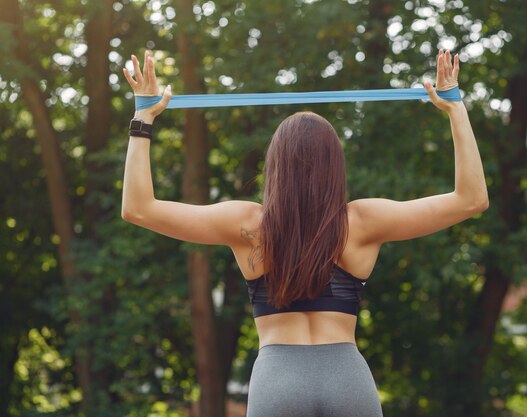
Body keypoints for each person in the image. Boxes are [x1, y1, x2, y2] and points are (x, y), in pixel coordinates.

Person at [121, 48, 488, 417]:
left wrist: (143, 117)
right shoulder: (361, 222)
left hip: (277, 380)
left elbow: (138, 208)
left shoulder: (249, 225)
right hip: (348, 380)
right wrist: (456, 107)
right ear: (335, 166)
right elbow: (471, 200)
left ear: (275, 165)